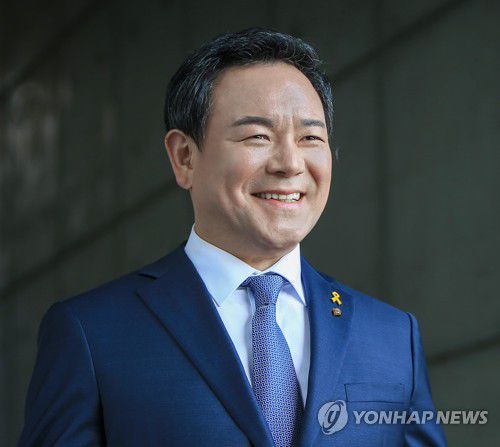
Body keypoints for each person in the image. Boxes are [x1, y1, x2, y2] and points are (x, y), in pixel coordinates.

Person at [18, 28, 446, 447]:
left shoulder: (392, 336)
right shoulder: (92, 333)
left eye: (310, 138)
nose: (290, 163)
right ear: (184, 157)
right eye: (258, 136)